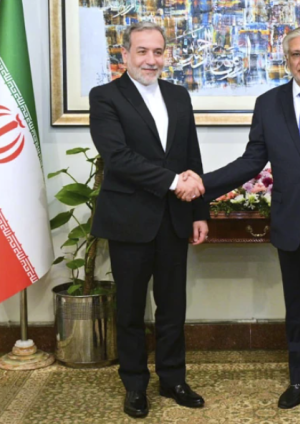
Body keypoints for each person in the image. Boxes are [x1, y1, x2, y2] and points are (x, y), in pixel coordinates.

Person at [184, 25, 300, 414]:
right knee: (298, 307)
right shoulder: (269, 103)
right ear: (285, 60)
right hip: (290, 223)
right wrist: (205, 183)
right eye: (296, 55)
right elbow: (253, 160)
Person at [89, 22, 208, 419]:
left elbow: (191, 154)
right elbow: (118, 158)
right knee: (130, 310)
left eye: (158, 52)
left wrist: (199, 212)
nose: (151, 60)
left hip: (174, 220)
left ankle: (173, 379)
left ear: (166, 55)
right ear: (125, 55)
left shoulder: (178, 95)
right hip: (129, 221)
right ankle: (135, 384)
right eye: (142, 51)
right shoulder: (105, 97)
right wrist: (175, 182)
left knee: (173, 307)